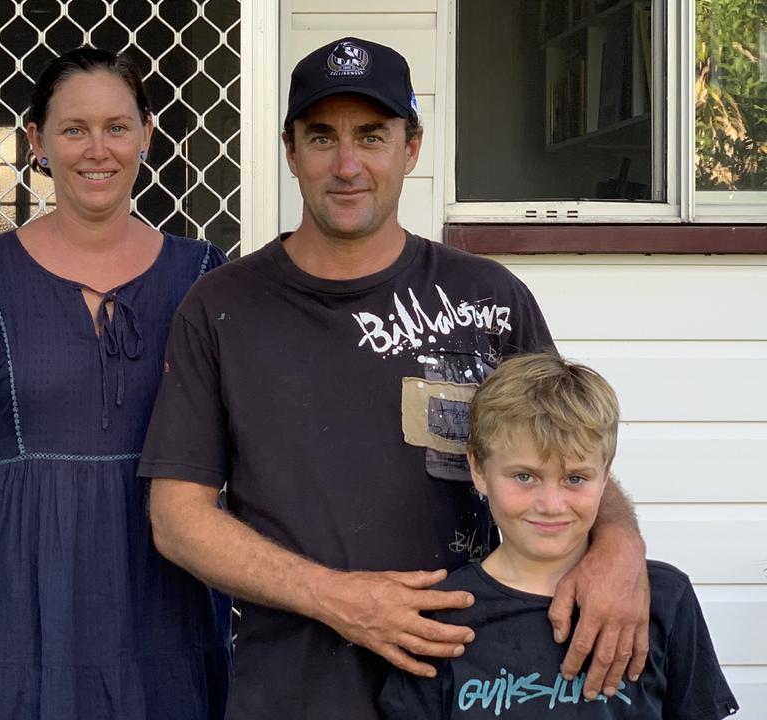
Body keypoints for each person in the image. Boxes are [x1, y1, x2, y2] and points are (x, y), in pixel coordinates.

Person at [141, 37, 650, 720]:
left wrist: (620, 545)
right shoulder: (223, 307)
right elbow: (177, 519)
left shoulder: (489, 298)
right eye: (322, 137)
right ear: (290, 150)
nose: (347, 165)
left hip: (476, 680)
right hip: (293, 691)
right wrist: (337, 598)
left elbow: (571, 458)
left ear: (411, 147)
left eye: (372, 136)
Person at [0, 47, 231, 719]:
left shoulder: (202, 276)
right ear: (38, 141)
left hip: (162, 584)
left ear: (147, 135)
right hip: (7, 585)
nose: (97, 149)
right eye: (74, 129)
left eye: (117, 127)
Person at [379, 353, 739, 719]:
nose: (551, 505)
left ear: (605, 474)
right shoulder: (438, 618)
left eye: (575, 478)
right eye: (524, 476)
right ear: (479, 468)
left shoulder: (663, 597)